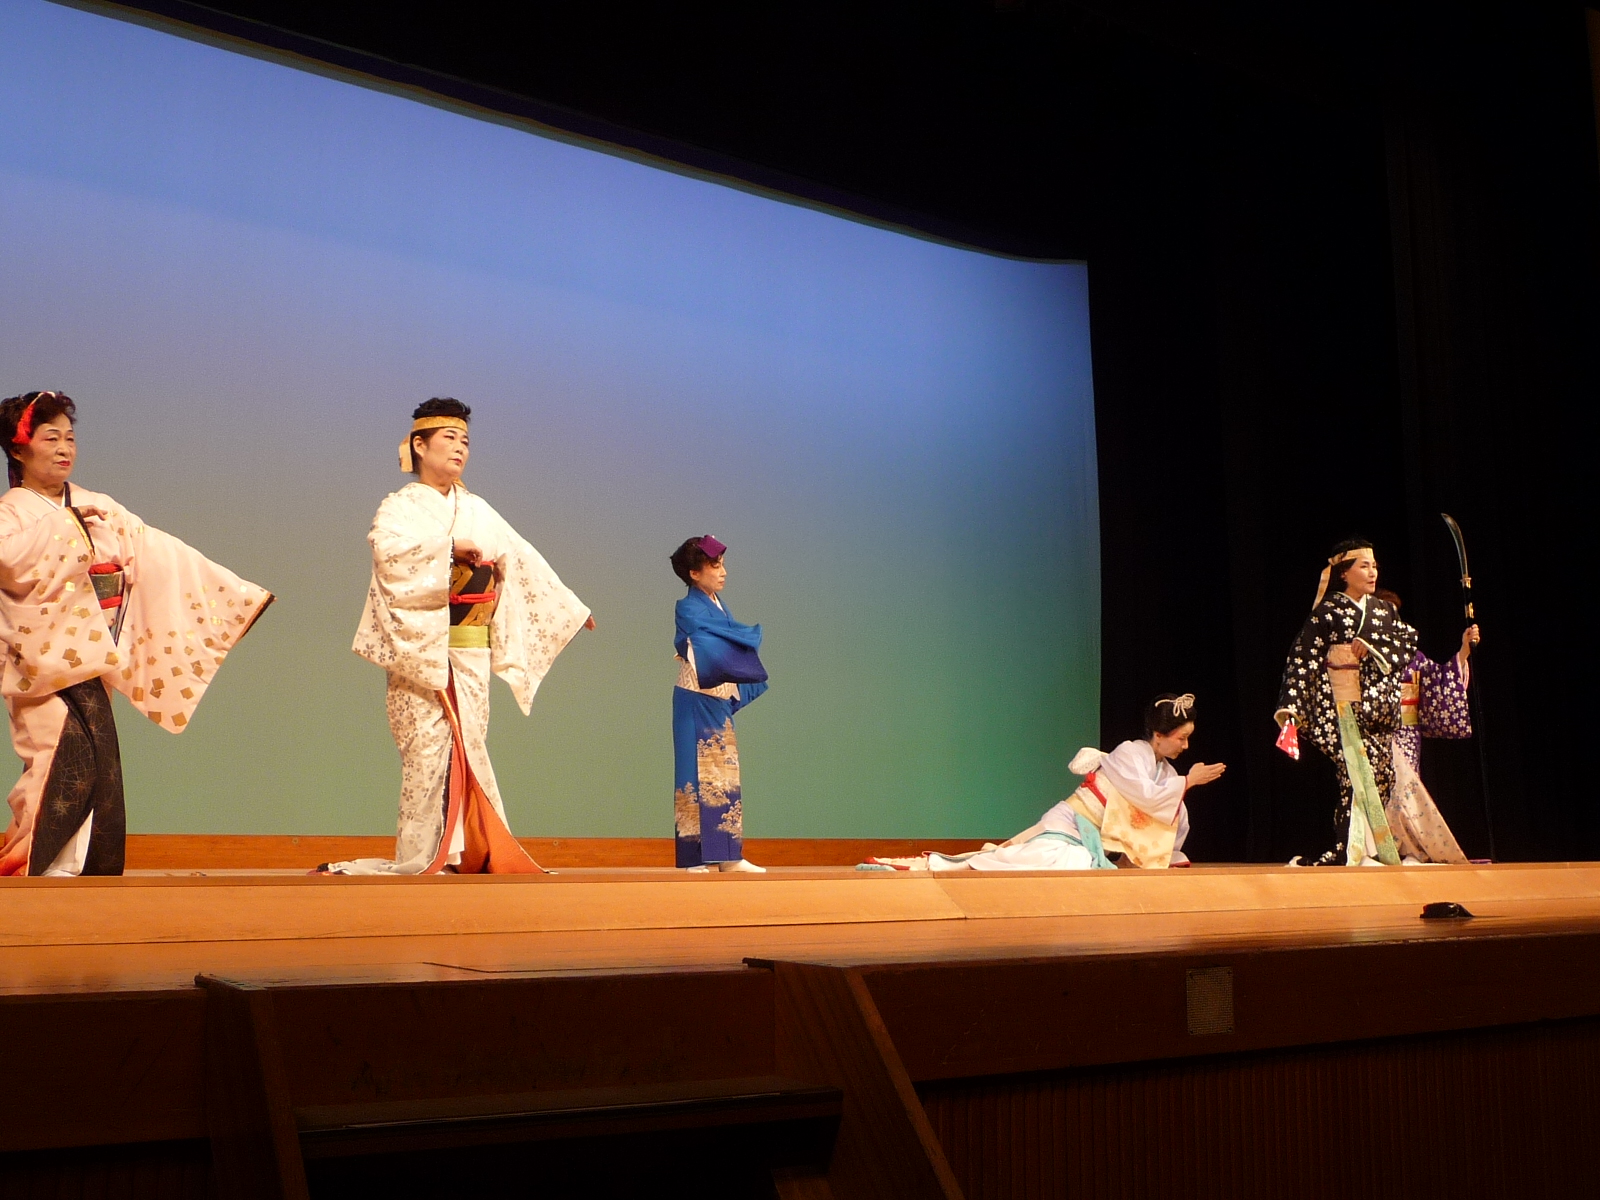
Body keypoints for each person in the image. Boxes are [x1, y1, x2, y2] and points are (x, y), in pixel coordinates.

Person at [0, 390, 271, 876]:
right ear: (19, 449)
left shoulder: (97, 504)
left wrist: (234, 592)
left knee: (97, 762)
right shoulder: (12, 513)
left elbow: (156, 551)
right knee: (53, 756)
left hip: (93, 652)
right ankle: (34, 866)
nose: (64, 448)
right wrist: (67, 529)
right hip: (43, 661)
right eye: (50, 438)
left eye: (70, 438)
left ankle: (82, 870)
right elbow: (9, 560)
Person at [323, 398, 593, 875]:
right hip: (422, 647)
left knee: (469, 746)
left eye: (465, 440)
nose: (460, 448)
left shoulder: (477, 509)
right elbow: (388, 553)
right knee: (426, 751)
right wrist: (448, 548)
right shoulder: (400, 506)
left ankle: (464, 852)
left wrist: (569, 608)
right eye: (448, 438)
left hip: (471, 649)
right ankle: (423, 855)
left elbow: (521, 559)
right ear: (418, 445)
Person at [869, 693, 1226, 872]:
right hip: (1071, 824)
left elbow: (1168, 816)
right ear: (1159, 735)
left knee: (1081, 864)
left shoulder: (1166, 772)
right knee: (1051, 860)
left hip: (1093, 839)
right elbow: (1147, 797)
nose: (1185, 746)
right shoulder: (1130, 753)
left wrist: (1182, 787)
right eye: (1181, 738)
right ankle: (944, 864)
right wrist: (1188, 781)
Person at [1275, 539, 1462, 866]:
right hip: (1341, 707)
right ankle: (1350, 850)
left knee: (1381, 777)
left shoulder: (1384, 611)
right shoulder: (1328, 611)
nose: (1373, 572)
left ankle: (1372, 850)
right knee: (1354, 776)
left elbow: (1408, 642)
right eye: (1364, 566)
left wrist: (1372, 642)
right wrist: (1292, 707)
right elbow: (1303, 657)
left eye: (1374, 566)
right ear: (1344, 573)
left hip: (1378, 709)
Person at [670, 535, 768, 873]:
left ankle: (729, 856)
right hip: (695, 698)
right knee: (694, 776)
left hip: (719, 697)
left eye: (722, 564)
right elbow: (716, 643)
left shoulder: (718, 604)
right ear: (694, 574)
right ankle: (693, 858)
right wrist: (744, 637)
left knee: (724, 776)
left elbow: (726, 643)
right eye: (715, 565)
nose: (723, 572)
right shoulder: (688, 607)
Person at [1381, 588, 1476, 864]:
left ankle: (1411, 849)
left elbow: (1441, 679)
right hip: (1375, 730)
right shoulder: (1362, 654)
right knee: (1376, 791)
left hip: (1406, 732)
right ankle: (1380, 850)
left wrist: (1464, 651)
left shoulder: (1414, 657)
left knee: (1405, 792)